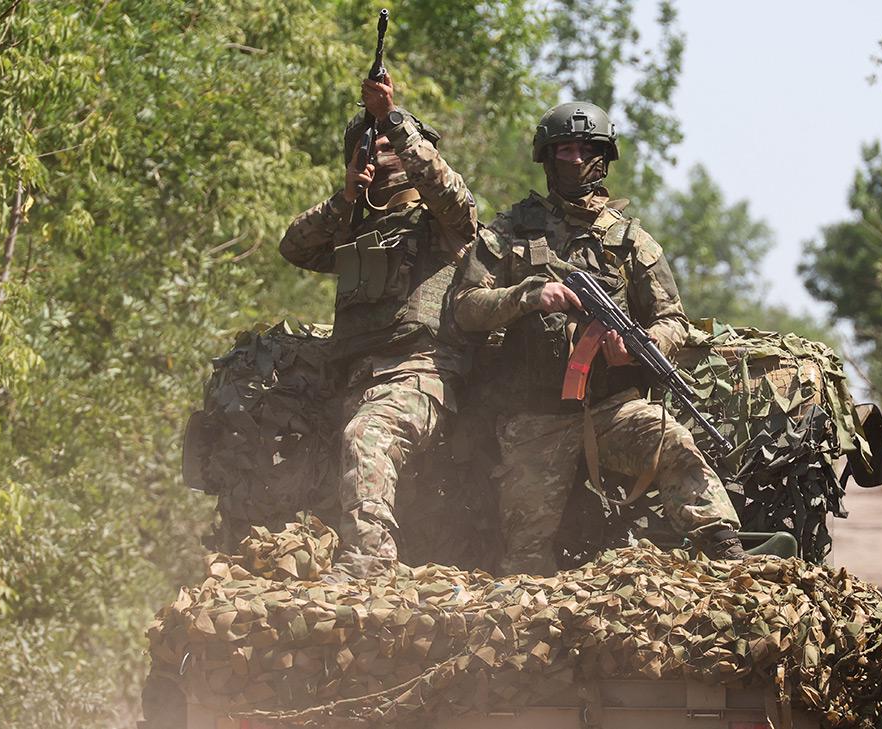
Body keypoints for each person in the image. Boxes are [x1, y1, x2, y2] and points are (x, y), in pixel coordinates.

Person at [452, 101, 745, 576]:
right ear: (546, 160)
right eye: (561, 150)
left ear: (602, 158)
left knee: (674, 444)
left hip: (614, 408)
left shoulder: (630, 240)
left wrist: (641, 344)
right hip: (535, 416)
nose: (571, 160)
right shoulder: (509, 230)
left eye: (582, 149)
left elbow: (672, 318)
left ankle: (727, 555)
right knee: (524, 556)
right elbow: (465, 306)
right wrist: (527, 296)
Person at [278, 73, 477, 578]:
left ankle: (370, 564)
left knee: (366, 436)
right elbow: (294, 246)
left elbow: (457, 203)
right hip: (355, 377)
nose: (380, 152)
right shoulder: (355, 225)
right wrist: (345, 198)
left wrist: (393, 119)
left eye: (389, 144)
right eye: (369, 146)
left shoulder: (438, 222)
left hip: (420, 371)